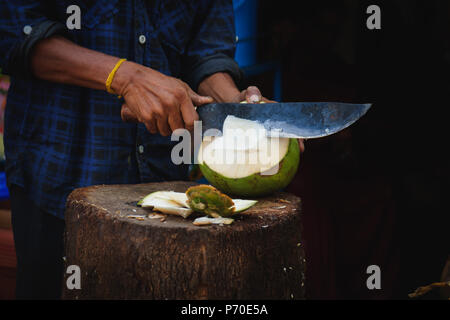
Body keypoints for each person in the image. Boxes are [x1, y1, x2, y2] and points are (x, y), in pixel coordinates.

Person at [0, 1, 275, 299]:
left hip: (163, 181)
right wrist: (124, 77)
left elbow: (206, 53)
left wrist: (235, 108)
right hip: (57, 175)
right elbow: (15, 33)